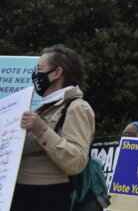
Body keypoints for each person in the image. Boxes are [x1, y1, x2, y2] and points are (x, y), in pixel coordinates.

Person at [12, 45, 96, 211]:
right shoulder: (44, 108)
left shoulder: (77, 107)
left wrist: (41, 130)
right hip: (23, 194)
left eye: (39, 69)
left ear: (57, 73)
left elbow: (76, 161)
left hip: (47, 197)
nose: (35, 74)